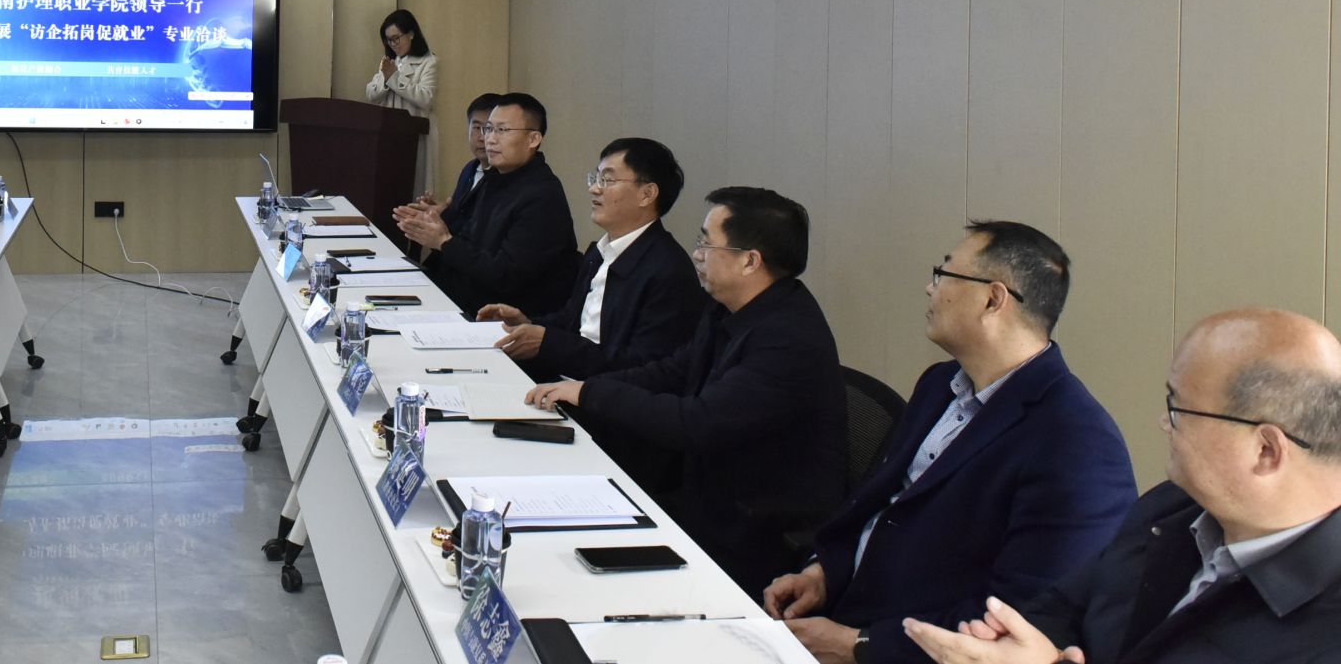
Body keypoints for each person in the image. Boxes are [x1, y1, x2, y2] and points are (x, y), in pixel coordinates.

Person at [764, 221, 1135, 664]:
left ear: (993, 299)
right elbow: (881, 507)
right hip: (841, 617)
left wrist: (858, 646)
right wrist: (824, 572)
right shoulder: (940, 384)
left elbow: (1027, 617)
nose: (929, 288)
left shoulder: (1077, 443)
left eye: (943, 274)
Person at [904, 308, 1341, 664]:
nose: (1164, 423)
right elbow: (1063, 606)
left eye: (1179, 408)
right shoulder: (1173, 508)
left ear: (1266, 450)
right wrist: (1012, 644)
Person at [526, 186, 844, 592]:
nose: (696, 254)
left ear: (750, 261)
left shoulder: (788, 338)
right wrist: (585, 388)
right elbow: (671, 372)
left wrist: (591, 395)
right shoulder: (728, 308)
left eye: (707, 244)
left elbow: (697, 424)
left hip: (754, 530)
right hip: (706, 498)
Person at [475, 137, 706, 380]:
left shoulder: (668, 270)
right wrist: (528, 323)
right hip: (566, 380)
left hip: (603, 394)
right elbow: (574, 319)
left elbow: (643, 365)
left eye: (607, 180)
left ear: (647, 194)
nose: (594, 188)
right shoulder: (600, 251)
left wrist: (549, 344)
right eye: (596, 178)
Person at [393, 92, 577, 318]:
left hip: (504, 317)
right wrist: (437, 221)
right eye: (488, 129)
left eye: (502, 130)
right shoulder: (494, 178)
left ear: (533, 139)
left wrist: (443, 241)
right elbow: (472, 241)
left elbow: (505, 276)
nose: (489, 139)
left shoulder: (541, 195)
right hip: (463, 297)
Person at [364, 9, 439, 196]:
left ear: (411, 34)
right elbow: (371, 94)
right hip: (388, 134)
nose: (393, 44)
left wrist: (394, 78)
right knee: (388, 188)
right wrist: (387, 78)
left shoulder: (429, 61)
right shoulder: (389, 62)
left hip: (413, 135)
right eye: (389, 40)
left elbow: (426, 98)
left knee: (413, 189)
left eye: (396, 38)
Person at [429, 92, 501, 233]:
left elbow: (481, 233)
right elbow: (460, 217)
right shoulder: (469, 168)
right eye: (476, 128)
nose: (482, 137)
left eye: (488, 129)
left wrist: (445, 214)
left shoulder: (504, 178)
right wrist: (438, 210)